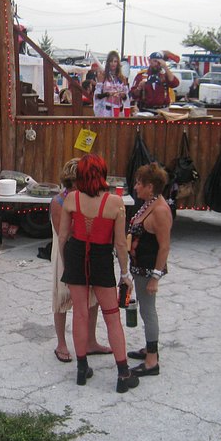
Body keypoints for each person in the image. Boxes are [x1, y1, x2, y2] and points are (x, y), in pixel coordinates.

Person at [58, 154, 139, 393]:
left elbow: (63, 237)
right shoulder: (115, 202)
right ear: (103, 174)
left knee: (80, 313)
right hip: (101, 257)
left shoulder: (72, 198)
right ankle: (123, 373)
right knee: (111, 314)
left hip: (76, 255)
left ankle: (82, 368)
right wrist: (125, 273)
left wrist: (66, 263)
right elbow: (120, 244)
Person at [51, 158, 111, 363]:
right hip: (67, 254)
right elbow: (63, 235)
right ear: (74, 181)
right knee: (62, 299)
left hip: (85, 252)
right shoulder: (60, 202)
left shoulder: (85, 197)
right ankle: (61, 343)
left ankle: (90, 341)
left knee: (92, 297)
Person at [126, 163, 173, 377]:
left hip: (147, 270)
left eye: (139, 183)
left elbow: (164, 247)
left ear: (151, 187)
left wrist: (155, 277)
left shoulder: (161, 211)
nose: (135, 187)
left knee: (148, 311)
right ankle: (149, 347)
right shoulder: (150, 204)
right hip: (139, 267)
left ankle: (152, 360)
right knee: (146, 311)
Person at [93, 50, 129, 117]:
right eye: (111, 61)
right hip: (105, 112)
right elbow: (97, 96)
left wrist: (123, 95)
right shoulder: (103, 76)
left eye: (115, 61)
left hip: (118, 111)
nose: (113, 63)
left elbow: (126, 98)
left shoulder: (122, 78)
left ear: (118, 63)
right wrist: (107, 94)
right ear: (108, 62)